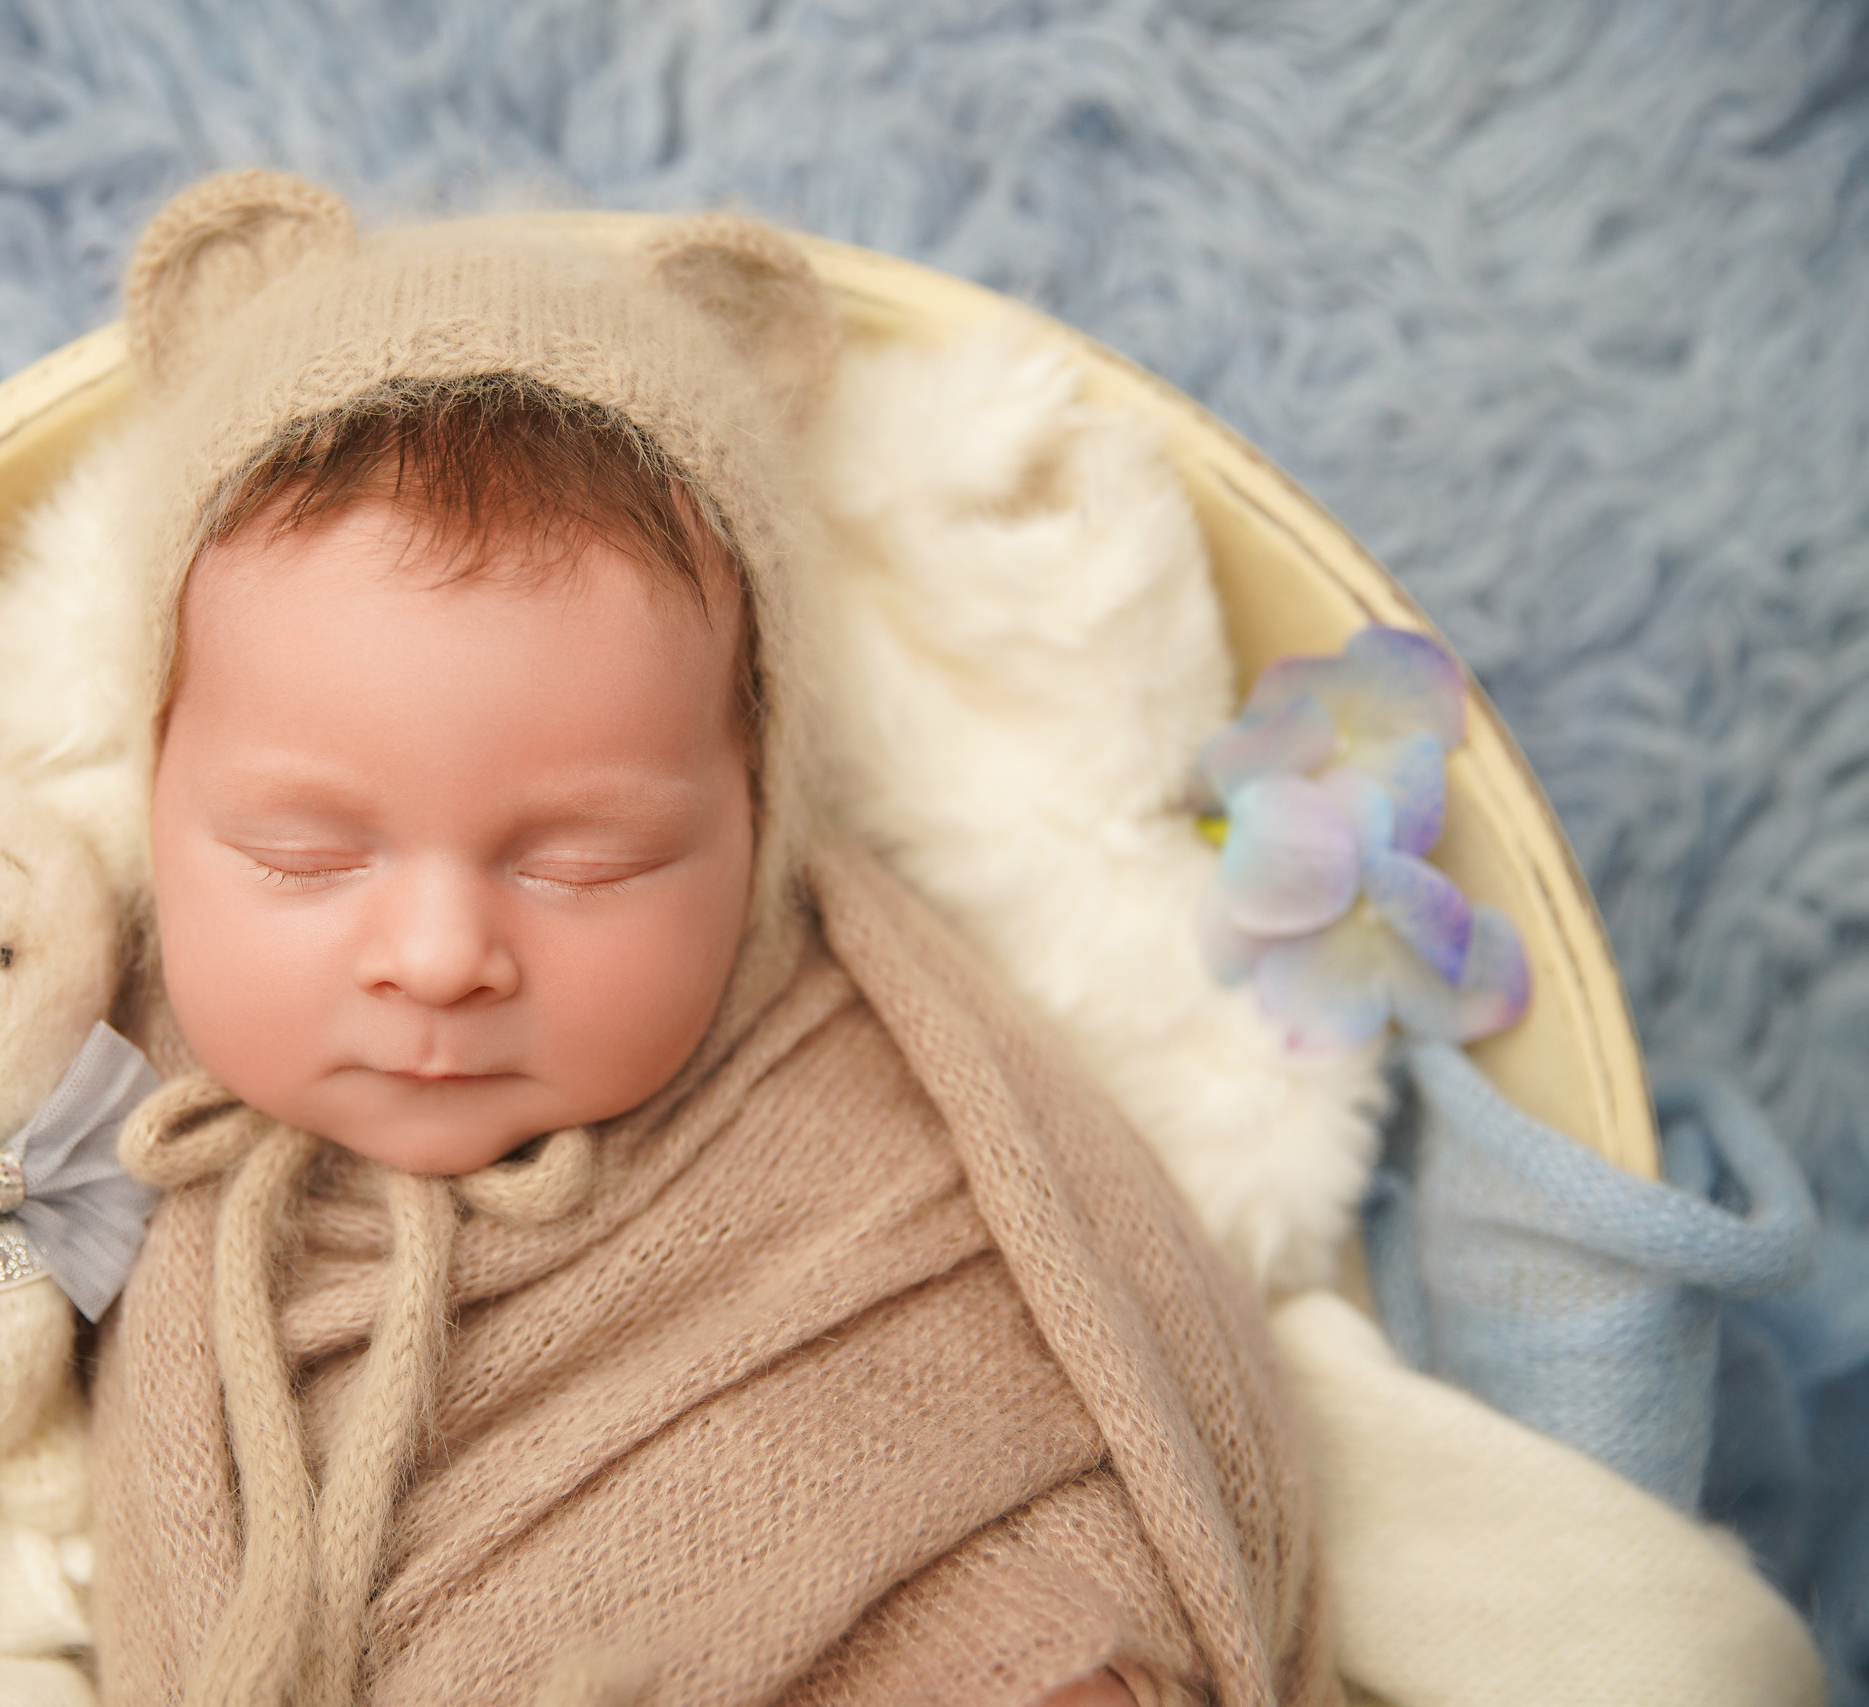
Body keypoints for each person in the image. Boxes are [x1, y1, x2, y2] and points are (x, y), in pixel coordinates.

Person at [66, 170, 1330, 1707]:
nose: (443, 952)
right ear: (155, 797)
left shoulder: (886, 1132)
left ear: (759, 833)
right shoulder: (74, 1094)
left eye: (589, 862)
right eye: (304, 852)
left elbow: (1069, 1452)